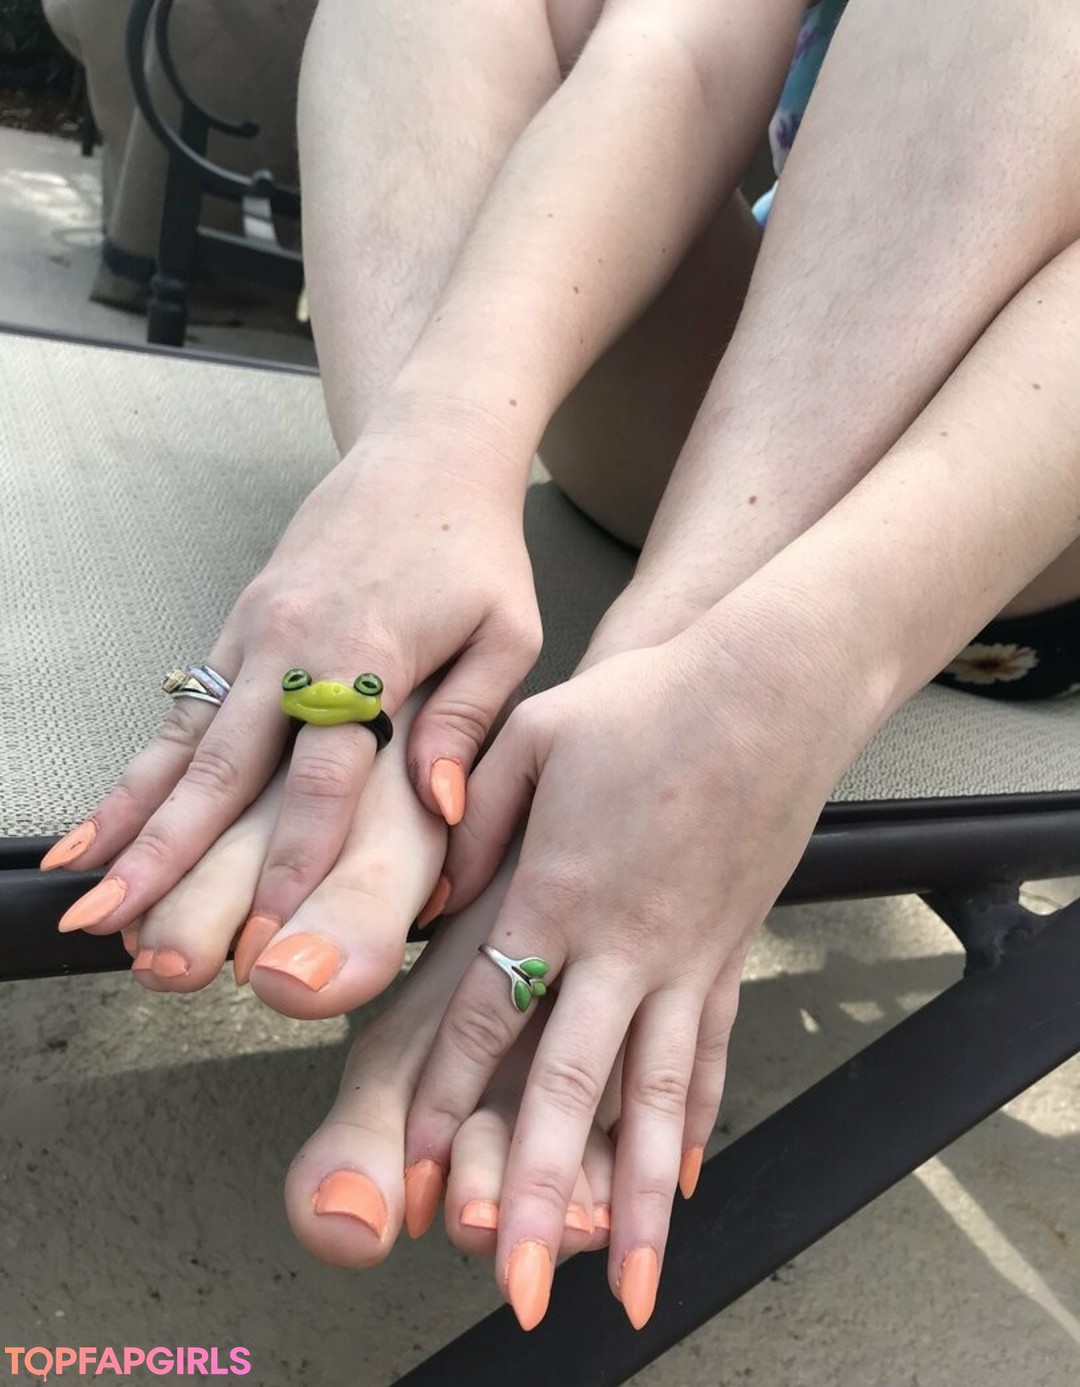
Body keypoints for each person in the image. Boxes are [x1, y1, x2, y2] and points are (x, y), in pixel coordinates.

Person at [42, 0, 1080, 1332]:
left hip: (1006, 506)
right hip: (762, 374)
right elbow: (679, 47)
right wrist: (433, 450)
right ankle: (422, 660)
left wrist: (770, 685)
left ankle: (669, 699)